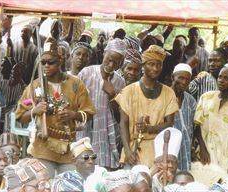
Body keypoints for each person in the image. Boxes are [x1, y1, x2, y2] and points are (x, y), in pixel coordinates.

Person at [15, 37, 96, 178]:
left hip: (68, 149)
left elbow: (89, 112)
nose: (46, 65)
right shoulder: (34, 86)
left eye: (50, 62)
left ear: (60, 61)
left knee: (69, 186)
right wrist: (34, 110)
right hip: (42, 148)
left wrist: (74, 115)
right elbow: (20, 116)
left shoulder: (76, 84)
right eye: (43, 62)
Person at [115, 45, 178, 167]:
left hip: (158, 151)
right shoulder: (128, 91)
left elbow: (169, 124)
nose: (155, 68)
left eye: (158, 64)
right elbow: (123, 123)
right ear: (143, 66)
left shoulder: (168, 93)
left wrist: (149, 128)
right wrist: (127, 151)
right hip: (133, 151)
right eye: (151, 64)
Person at [77, 38, 126, 169]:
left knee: (102, 170)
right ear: (104, 53)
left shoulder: (120, 82)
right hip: (85, 128)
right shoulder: (86, 73)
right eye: (109, 59)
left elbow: (120, 114)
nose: (111, 64)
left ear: (121, 63)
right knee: (83, 166)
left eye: (116, 62)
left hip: (106, 133)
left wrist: (112, 95)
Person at [194, 63, 228, 175]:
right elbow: (197, 126)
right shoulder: (206, 97)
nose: (221, 80)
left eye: (226, 78)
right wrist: (202, 148)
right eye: (220, 76)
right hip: (206, 153)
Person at [171, 64, 196, 171]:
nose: (184, 82)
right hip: (169, 146)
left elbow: (195, 125)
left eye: (187, 79)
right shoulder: (164, 96)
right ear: (173, 77)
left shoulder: (190, 100)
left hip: (186, 146)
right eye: (180, 78)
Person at [151, 128, 182, 192]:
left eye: (173, 162)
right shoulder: (150, 177)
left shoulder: (181, 177)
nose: (170, 165)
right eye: (167, 161)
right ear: (156, 163)